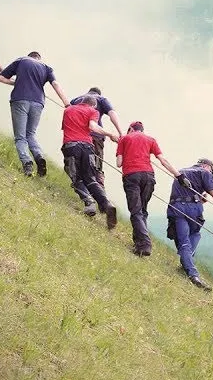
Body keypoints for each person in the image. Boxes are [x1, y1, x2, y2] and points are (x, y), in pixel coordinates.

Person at [168, 158, 213, 291]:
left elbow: (184, 193)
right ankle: (193, 274)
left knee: (184, 242)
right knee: (194, 235)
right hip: (192, 210)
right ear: (207, 166)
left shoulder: (181, 171)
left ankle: (187, 266)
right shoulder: (204, 172)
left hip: (175, 207)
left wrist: (199, 199)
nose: (211, 175)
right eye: (212, 172)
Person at [0, 51, 67, 176]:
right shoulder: (46, 68)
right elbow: (55, 84)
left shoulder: (21, 60)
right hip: (38, 103)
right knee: (30, 134)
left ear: (29, 56)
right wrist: (66, 103)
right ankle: (39, 156)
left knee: (20, 136)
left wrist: (16, 82)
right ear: (39, 59)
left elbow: (1, 78)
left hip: (20, 99)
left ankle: (27, 162)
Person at [115, 121, 177, 256]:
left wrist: (125, 152)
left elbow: (119, 163)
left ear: (131, 129)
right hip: (148, 176)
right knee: (142, 210)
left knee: (136, 211)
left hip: (131, 176)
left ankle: (145, 244)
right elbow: (163, 160)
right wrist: (178, 175)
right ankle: (138, 244)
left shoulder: (124, 139)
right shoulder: (151, 140)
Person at [60, 95, 121, 226]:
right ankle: (106, 204)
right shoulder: (93, 111)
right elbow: (93, 126)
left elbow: (67, 127)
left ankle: (89, 202)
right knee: (90, 178)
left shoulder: (68, 110)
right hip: (88, 147)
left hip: (71, 146)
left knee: (76, 178)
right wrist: (110, 134)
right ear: (93, 105)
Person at [68, 87, 123, 189]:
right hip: (96, 136)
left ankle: (83, 188)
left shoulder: (76, 100)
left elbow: (68, 111)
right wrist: (120, 133)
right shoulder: (101, 99)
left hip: (77, 137)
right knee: (97, 165)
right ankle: (99, 189)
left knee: (80, 164)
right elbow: (112, 113)